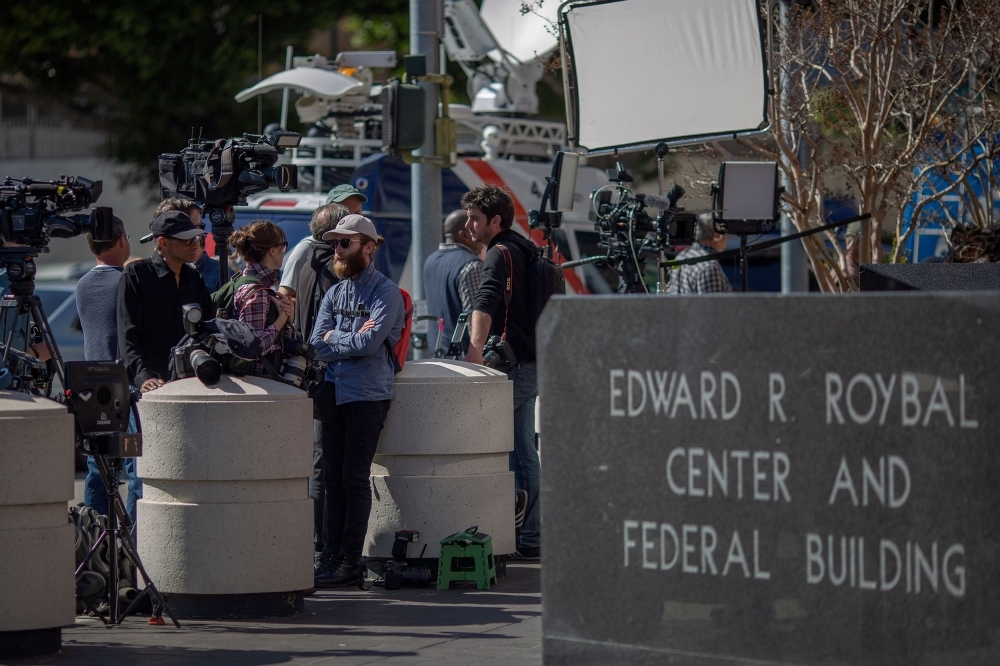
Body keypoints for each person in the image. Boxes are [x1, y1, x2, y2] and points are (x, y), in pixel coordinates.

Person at [310, 214, 405, 587]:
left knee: (353, 478)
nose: (337, 249)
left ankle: (351, 561)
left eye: (345, 243)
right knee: (331, 478)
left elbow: (368, 345)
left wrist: (338, 336)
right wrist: (343, 338)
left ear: (369, 246)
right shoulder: (335, 291)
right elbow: (317, 343)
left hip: (368, 395)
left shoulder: (386, 292)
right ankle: (330, 555)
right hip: (334, 393)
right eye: (334, 243)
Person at [462, 185, 541, 560]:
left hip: (514, 365)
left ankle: (518, 532)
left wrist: (474, 352)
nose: (469, 224)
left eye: (475, 218)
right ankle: (531, 535)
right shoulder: (526, 248)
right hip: (532, 362)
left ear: (496, 220)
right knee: (524, 450)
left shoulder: (499, 252)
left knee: (486, 444)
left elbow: (486, 299)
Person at [280, 203, 350, 557]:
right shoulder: (338, 265)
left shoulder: (303, 254)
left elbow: (286, 298)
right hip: (333, 372)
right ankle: (327, 546)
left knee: (320, 462)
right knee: (330, 465)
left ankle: (322, 542)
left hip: (308, 369)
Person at [76, 216, 143, 523]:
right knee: (136, 470)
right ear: (121, 241)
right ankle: (133, 546)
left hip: (92, 387)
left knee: (98, 469)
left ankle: (93, 540)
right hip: (127, 385)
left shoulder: (83, 283)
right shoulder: (127, 281)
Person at [119, 211, 214, 393]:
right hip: (146, 386)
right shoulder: (136, 275)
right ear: (163, 243)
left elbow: (207, 327)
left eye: (195, 239)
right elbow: (127, 335)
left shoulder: (194, 278)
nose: (194, 245)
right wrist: (143, 377)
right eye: (187, 240)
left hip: (187, 382)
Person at [227, 221, 295, 369]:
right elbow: (253, 348)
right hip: (256, 382)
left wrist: (287, 320)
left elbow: (278, 341)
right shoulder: (257, 293)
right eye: (283, 246)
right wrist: (281, 319)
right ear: (272, 250)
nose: (284, 251)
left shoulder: (248, 282)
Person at [279, 185, 366, 300]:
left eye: (358, 213)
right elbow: (284, 296)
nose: (354, 219)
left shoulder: (360, 247)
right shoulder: (306, 249)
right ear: (330, 212)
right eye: (348, 213)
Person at [423, 209, 484, 355]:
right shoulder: (472, 265)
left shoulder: (430, 261)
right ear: (464, 235)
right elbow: (473, 318)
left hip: (437, 354)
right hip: (462, 358)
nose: (481, 241)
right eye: (475, 232)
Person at [149, 198, 220, 293]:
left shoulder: (218, 273)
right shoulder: (141, 275)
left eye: (200, 227)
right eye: (192, 229)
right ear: (164, 242)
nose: (198, 234)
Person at [667, 215, 733, 294]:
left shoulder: (681, 256)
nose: (727, 237)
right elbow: (713, 305)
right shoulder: (709, 267)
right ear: (717, 236)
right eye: (726, 232)